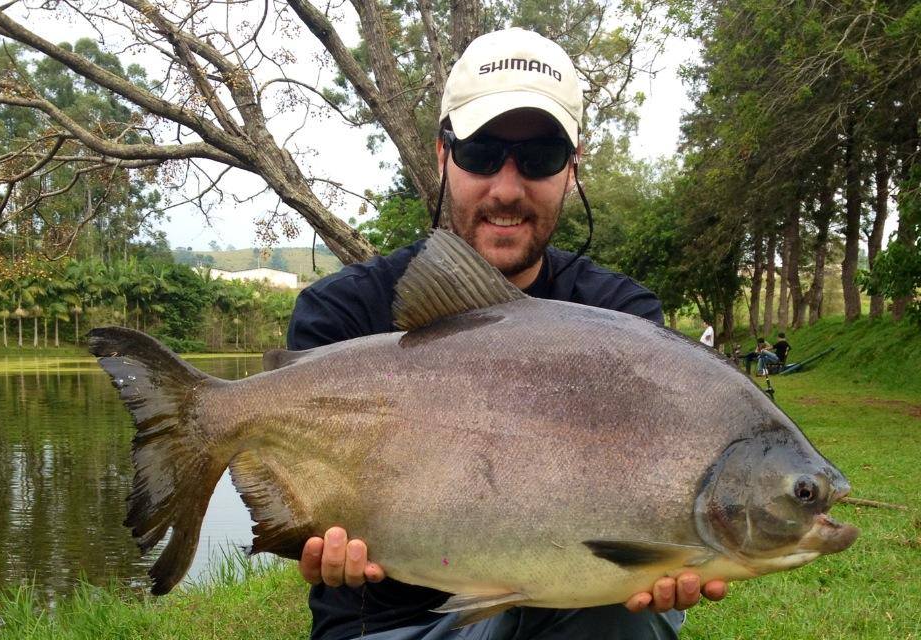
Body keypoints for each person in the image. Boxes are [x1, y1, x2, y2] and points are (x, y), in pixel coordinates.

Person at [286, 28, 726, 640]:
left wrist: (669, 549)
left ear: (571, 168)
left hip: (566, 615)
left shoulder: (623, 320)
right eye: (482, 153)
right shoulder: (341, 313)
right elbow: (294, 498)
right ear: (443, 156)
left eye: (540, 157)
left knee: (608, 609)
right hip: (384, 628)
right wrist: (302, 525)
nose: (508, 188)